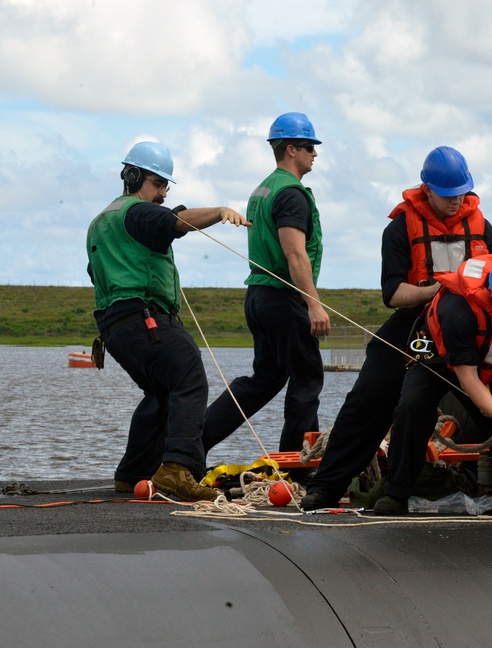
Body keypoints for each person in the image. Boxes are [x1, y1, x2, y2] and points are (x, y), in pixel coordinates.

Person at [300, 146, 492, 510]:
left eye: (461, 193)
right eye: (447, 195)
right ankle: (328, 487)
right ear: (426, 189)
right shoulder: (399, 228)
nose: (456, 201)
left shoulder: (482, 227)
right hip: (416, 322)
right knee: (369, 398)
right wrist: (442, 289)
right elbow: (393, 293)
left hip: (466, 328)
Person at [86, 140, 249, 501]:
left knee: (161, 393)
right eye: (159, 183)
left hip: (113, 328)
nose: (162, 192)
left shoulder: (100, 223)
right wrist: (221, 211)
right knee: (189, 374)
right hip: (144, 317)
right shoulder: (137, 213)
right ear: (133, 176)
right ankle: (177, 468)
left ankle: (133, 473)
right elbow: (176, 220)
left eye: (165, 186)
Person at [372, 254, 492, 515]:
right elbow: (467, 377)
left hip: (490, 358)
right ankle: (397, 492)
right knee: (412, 406)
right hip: (440, 354)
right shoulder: (458, 310)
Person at [202, 112, 328, 455]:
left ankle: (193, 443)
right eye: (308, 147)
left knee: (266, 379)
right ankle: (297, 464)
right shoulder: (291, 194)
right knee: (307, 378)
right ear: (291, 149)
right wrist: (313, 303)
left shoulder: (264, 188)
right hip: (283, 298)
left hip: (258, 297)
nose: (315, 153)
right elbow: (295, 255)